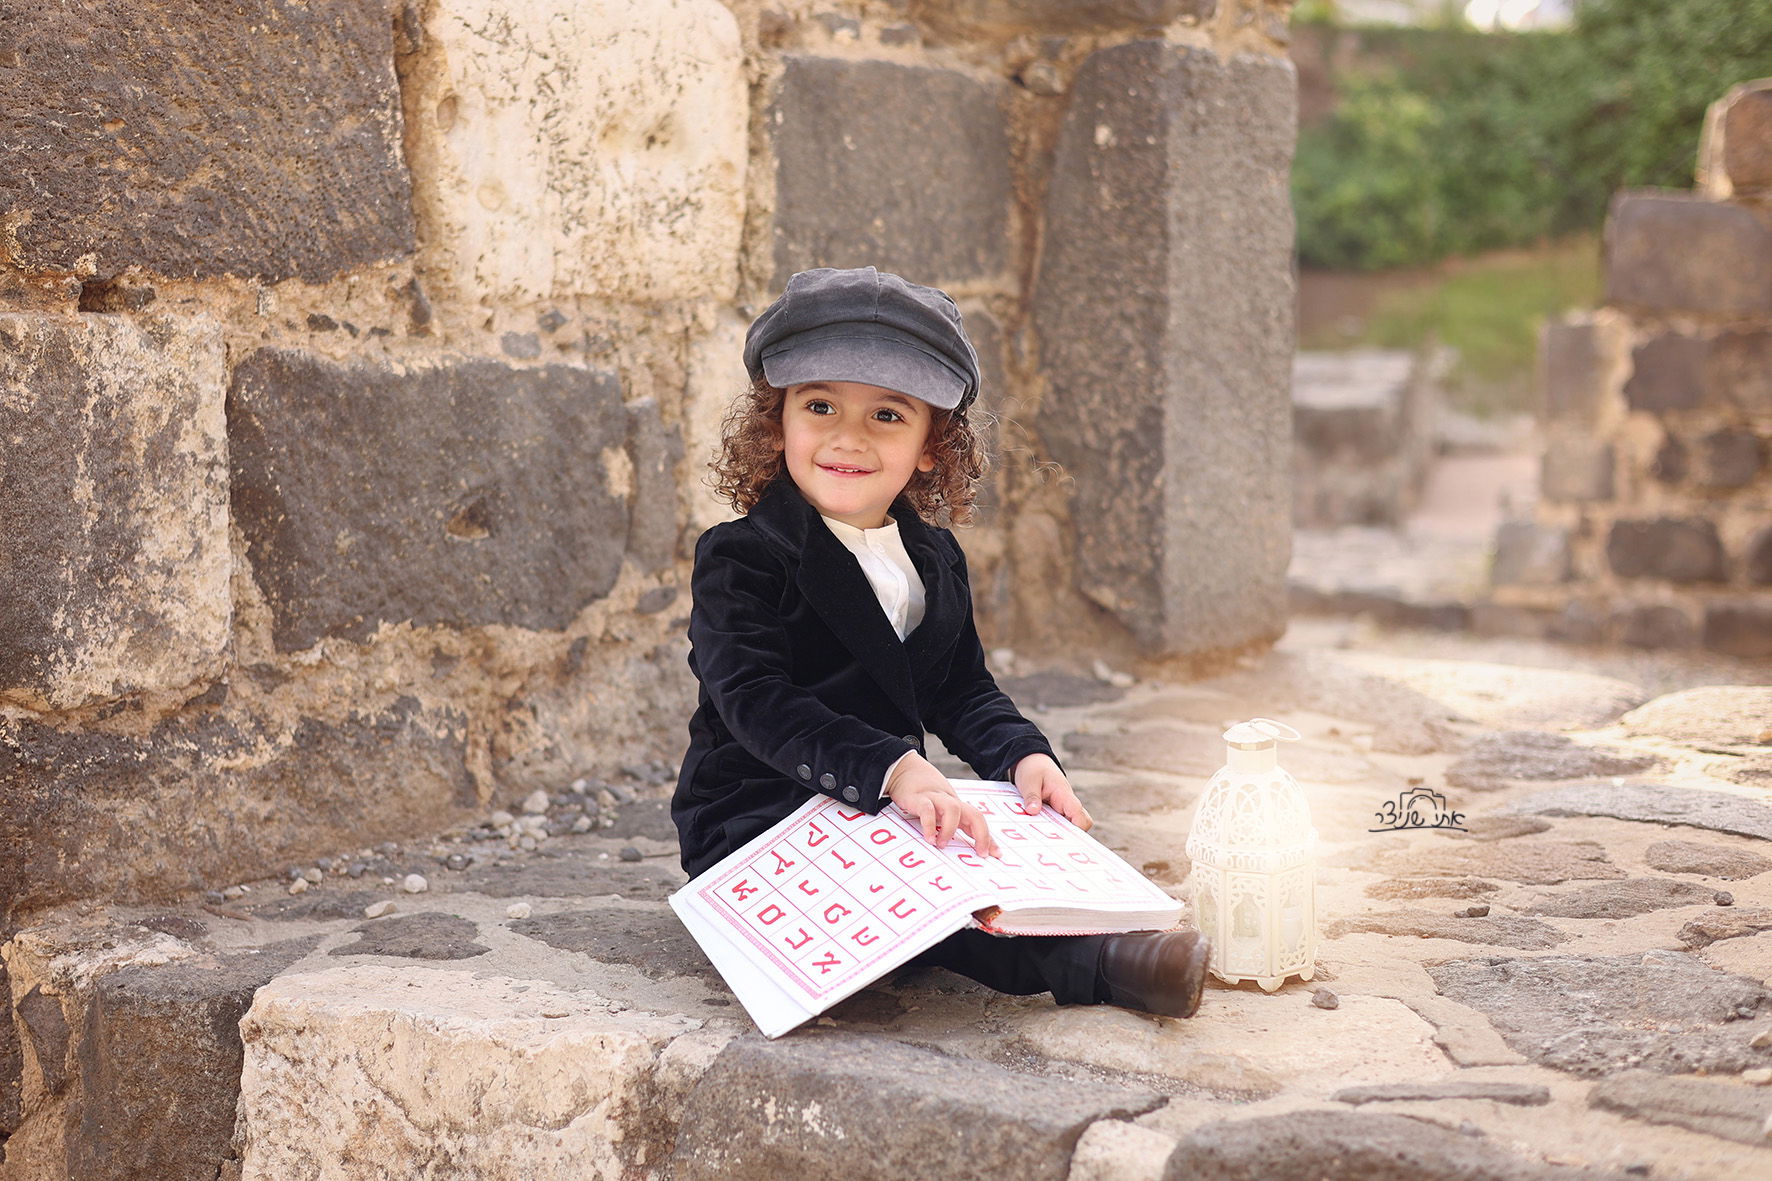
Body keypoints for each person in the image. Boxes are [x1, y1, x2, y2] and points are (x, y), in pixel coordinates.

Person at [672, 266, 1209, 1018]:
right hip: (760, 813)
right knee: (927, 904)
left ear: (932, 444)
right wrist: (892, 767)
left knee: (983, 847)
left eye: (887, 416)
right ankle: (1102, 962)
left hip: (884, 803)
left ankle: (1095, 915)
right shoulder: (742, 556)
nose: (847, 436)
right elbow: (755, 701)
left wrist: (1022, 753)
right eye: (819, 404)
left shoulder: (934, 559)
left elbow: (961, 687)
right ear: (777, 424)